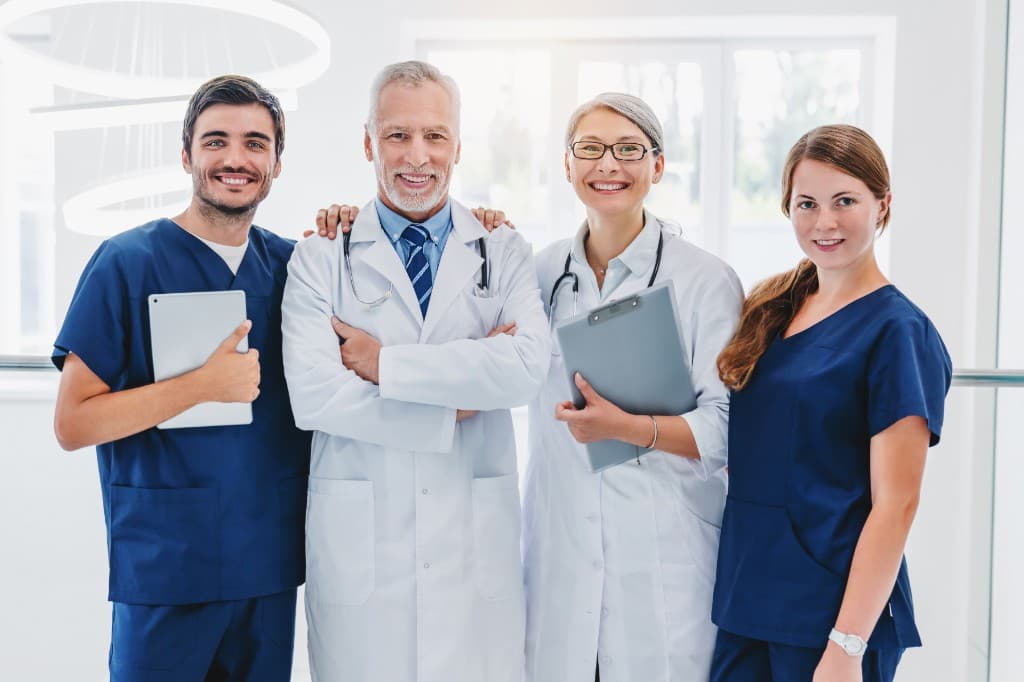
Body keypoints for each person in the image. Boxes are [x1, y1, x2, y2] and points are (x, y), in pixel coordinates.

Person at [280, 60, 550, 682]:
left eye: (435, 136)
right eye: (398, 135)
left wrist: (384, 366)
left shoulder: (502, 249)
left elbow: (524, 369)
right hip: (364, 555)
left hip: (471, 550)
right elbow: (317, 398)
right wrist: (453, 402)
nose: (417, 156)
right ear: (368, 142)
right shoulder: (322, 256)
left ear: (458, 145)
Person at [51, 75, 310, 681]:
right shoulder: (127, 262)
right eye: (215, 140)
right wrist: (200, 385)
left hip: (267, 567)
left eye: (255, 142)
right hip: (166, 571)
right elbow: (73, 422)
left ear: (276, 161)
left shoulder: (298, 266)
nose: (235, 158)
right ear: (186, 154)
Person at [710, 124, 952, 682]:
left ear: (882, 205)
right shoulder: (771, 310)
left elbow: (898, 504)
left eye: (845, 201)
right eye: (807, 203)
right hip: (747, 597)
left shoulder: (898, 332)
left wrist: (846, 646)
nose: (825, 222)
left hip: (829, 616)